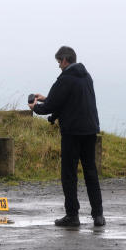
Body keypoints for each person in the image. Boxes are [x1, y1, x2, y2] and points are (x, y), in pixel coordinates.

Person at [30, 46, 105, 228]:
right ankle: (98, 215)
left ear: (64, 60)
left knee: (69, 175)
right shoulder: (86, 77)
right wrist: (46, 98)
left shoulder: (65, 79)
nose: (58, 66)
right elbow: (67, 100)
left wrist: (35, 107)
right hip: (90, 130)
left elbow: (53, 105)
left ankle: (72, 216)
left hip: (72, 132)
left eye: (58, 62)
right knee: (91, 173)